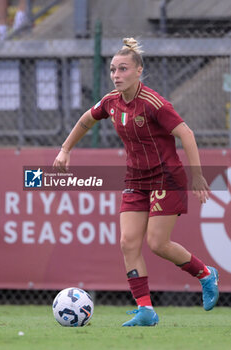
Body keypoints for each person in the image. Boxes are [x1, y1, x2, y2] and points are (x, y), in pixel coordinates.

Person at [53, 37, 219, 327]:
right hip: (135, 179)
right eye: (113, 70)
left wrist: (197, 175)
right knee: (128, 242)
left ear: (139, 71)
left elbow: (187, 134)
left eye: (123, 69)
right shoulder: (110, 102)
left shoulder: (154, 103)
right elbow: (85, 120)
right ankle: (145, 309)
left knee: (157, 243)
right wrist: (65, 149)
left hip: (166, 177)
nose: (117, 75)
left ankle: (205, 274)